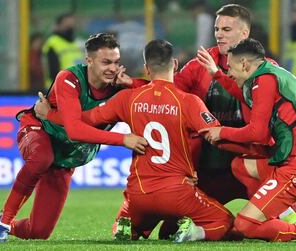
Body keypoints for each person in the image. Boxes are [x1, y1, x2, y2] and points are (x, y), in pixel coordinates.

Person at [112, 5, 296, 240]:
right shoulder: (202, 62)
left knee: (250, 221)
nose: (219, 34)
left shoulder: (263, 70)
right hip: (210, 167)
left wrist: (224, 133)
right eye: (216, 28)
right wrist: (135, 85)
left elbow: (260, 131)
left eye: (226, 29)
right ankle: (277, 220)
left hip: (249, 163)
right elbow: (168, 90)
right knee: (169, 232)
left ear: (244, 34)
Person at [40, 39, 236, 242]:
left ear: (146, 68)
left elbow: (87, 119)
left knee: (129, 223)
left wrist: (50, 115)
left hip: (138, 194)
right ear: (175, 64)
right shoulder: (189, 102)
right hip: (177, 192)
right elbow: (217, 136)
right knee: (225, 221)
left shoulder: (128, 98)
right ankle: (193, 232)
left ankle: (124, 224)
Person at [0, 33, 147, 243]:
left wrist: (132, 82)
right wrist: (123, 139)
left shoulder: (120, 88)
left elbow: (156, 92)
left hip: (65, 158)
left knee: (38, 231)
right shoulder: (69, 78)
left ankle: (3, 225)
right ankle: (5, 222)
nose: (112, 68)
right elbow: (75, 130)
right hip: (38, 130)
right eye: (106, 62)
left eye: (115, 62)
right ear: (89, 60)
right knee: (41, 158)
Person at [197, 38, 296, 242]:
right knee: (240, 165)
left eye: (231, 68)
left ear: (244, 64)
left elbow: (257, 133)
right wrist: (216, 74)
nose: (230, 74)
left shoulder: (265, 80)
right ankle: (295, 216)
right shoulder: (268, 74)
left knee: (244, 226)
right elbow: (244, 96)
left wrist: (223, 132)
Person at [42, 12, 83, 89]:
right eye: (67, 25)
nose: (70, 27)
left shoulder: (75, 44)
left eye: (72, 24)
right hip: (58, 89)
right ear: (58, 26)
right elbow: (53, 71)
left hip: (75, 88)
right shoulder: (53, 43)